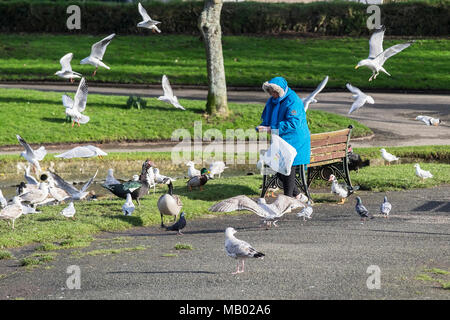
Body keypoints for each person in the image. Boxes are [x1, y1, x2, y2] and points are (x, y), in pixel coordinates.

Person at [257, 76, 311, 199]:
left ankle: (287, 199)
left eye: (275, 92)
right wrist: (263, 126)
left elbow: (294, 124)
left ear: (281, 90)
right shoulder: (272, 101)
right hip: (281, 141)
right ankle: (297, 195)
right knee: (276, 166)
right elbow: (268, 118)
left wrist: (272, 128)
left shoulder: (293, 101)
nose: (272, 94)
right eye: (270, 92)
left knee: (287, 166)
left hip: (296, 141)